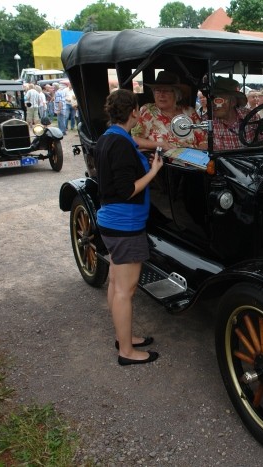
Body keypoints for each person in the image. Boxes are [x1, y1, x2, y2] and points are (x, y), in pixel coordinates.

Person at [95, 89, 163, 366]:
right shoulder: (121, 143)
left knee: (115, 281)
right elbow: (126, 190)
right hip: (125, 224)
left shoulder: (110, 136)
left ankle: (123, 336)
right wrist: (153, 171)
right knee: (126, 289)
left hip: (111, 222)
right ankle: (126, 351)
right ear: (133, 112)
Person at [132, 71, 206, 151]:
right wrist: (160, 145)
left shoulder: (190, 112)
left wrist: (197, 156)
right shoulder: (149, 110)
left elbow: (204, 142)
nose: (161, 95)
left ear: (177, 94)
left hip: (192, 161)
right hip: (161, 162)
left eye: (166, 91)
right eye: (157, 90)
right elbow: (135, 140)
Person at [210, 76, 254, 150]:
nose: (214, 104)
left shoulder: (251, 116)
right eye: (212, 99)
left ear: (233, 101)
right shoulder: (207, 121)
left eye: (219, 100)